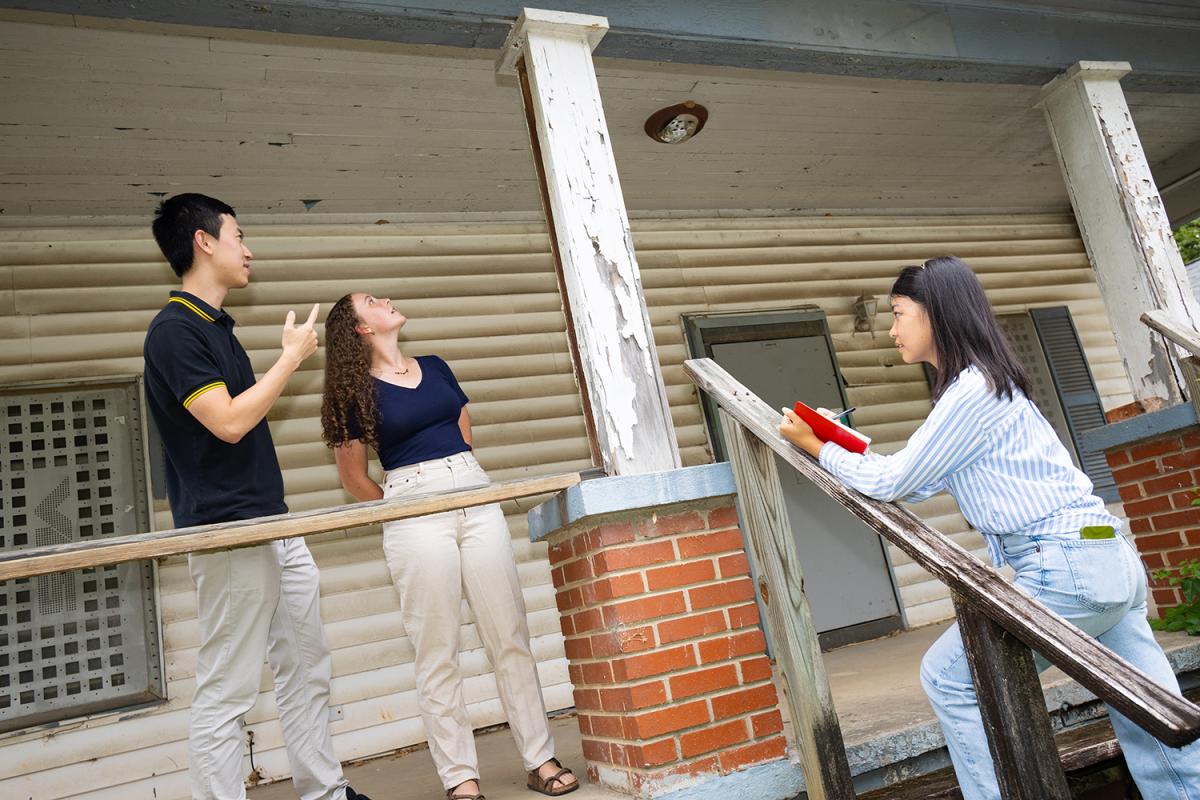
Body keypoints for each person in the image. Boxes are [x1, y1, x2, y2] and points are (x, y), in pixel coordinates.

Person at [778, 256, 1200, 800]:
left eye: (899, 314)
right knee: (1153, 715)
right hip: (1102, 549)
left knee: (952, 679)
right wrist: (840, 446)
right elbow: (923, 475)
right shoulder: (990, 385)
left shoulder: (971, 392)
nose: (892, 329)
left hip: (1066, 562)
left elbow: (894, 480)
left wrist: (815, 446)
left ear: (936, 313)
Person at [143, 194, 369, 800]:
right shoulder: (174, 332)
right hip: (228, 531)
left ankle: (325, 792)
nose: (248, 249)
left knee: (306, 666)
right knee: (229, 688)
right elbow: (229, 422)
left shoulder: (217, 328)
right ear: (203, 242)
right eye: (238, 235)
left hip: (273, 522)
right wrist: (291, 359)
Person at [320, 293, 578, 800]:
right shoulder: (353, 391)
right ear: (360, 330)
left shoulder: (437, 367)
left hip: (474, 493)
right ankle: (460, 778)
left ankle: (540, 759)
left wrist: (459, 486)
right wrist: (402, 508)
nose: (387, 301)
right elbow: (354, 478)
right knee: (436, 650)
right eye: (373, 302)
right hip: (413, 509)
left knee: (509, 634)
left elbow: (465, 439)